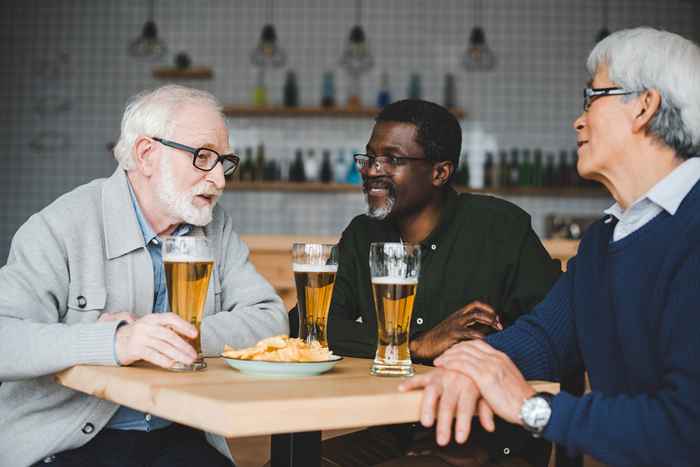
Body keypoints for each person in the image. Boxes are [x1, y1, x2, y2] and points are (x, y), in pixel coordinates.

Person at [400, 27, 700, 467]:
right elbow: (544, 336)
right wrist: (470, 362)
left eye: (591, 98)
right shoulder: (605, 241)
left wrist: (531, 408)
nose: (578, 120)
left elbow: (686, 430)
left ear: (644, 106)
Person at [0, 85, 289, 467]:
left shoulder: (215, 228)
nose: (219, 179)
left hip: (178, 434)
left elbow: (270, 319)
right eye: (204, 157)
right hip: (68, 441)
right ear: (147, 154)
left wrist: (167, 339)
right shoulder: (61, 225)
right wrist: (116, 342)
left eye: (223, 161)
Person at [319, 99, 562, 466]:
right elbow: (311, 326)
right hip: (394, 429)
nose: (371, 171)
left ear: (440, 172)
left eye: (392, 159)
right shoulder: (362, 235)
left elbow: (554, 334)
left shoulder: (501, 228)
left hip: (488, 438)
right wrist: (413, 346)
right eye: (369, 158)